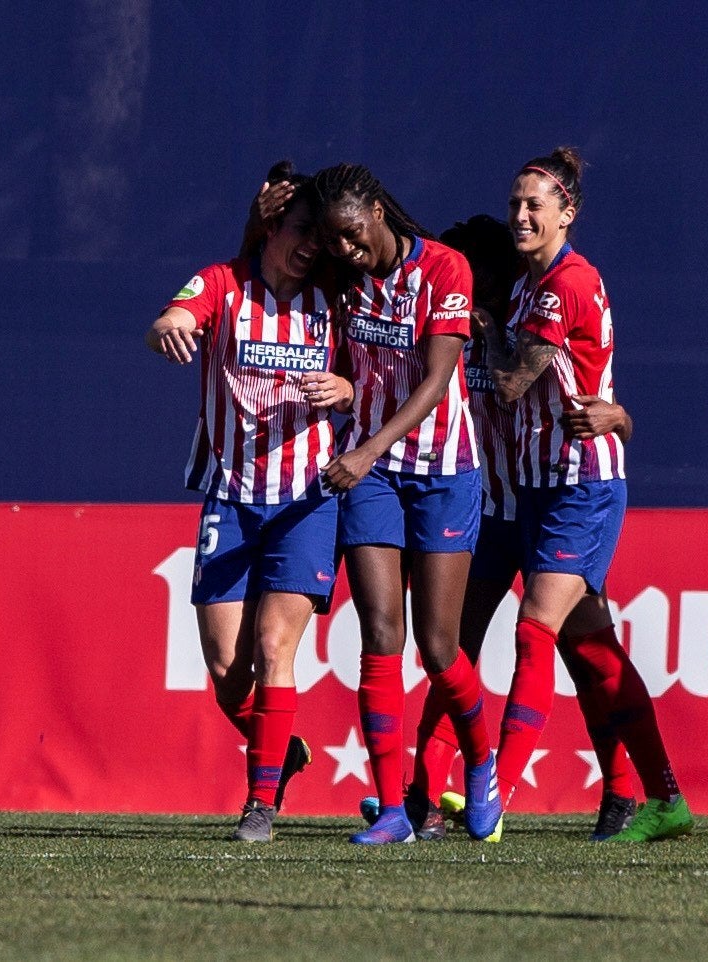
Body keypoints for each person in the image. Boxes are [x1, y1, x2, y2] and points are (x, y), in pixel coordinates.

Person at [403, 214, 640, 842]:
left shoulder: (526, 314)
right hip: (484, 515)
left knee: (584, 650)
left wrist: (618, 415)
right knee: (453, 652)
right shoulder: (443, 334)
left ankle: (618, 791)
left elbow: (581, 381)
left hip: (545, 499)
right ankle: (424, 797)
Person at [483, 147, 692, 843]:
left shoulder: (565, 283)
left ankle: (495, 793)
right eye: (514, 203)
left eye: (533, 205)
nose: (519, 215)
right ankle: (653, 796)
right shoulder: (523, 286)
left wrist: (469, 340)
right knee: (591, 651)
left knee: (534, 628)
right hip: (539, 485)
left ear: (566, 213)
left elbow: (511, 385)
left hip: (582, 482)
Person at [144, 163, 352, 843]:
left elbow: (368, 377)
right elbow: (171, 316)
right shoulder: (222, 284)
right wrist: (169, 324)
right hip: (230, 500)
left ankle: (260, 805)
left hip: (305, 501)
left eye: (316, 237)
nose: (307, 246)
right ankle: (278, 746)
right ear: (267, 227)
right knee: (230, 676)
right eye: (296, 231)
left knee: (274, 647)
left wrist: (344, 391)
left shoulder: (336, 302)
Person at [309, 163, 501, 845]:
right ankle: (392, 809)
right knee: (379, 637)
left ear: (379, 213)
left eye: (353, 236)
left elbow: (437, 378)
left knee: (438, 645)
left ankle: (480, 760)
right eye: (332, 241)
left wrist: (362, 449)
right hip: (374, 478)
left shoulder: (445, 269)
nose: (344, 251)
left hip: (444, 472)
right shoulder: (341, 276)